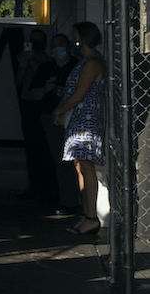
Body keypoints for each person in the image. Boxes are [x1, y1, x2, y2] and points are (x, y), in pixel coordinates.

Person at [54, 21, 105, 237]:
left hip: (87, 119)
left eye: (74, 37)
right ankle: (86, 214)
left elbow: (79, 94)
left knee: (86, 166)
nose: (72, 41)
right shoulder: (83, 61)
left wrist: (59, 110)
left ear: (82, 39)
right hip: (79, 119)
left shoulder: (92, 62)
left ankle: (92, 217)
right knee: (79, 166)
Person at [28, 32, 79, 214]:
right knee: (60, 159)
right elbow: (32, 94)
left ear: (68, 47)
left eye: (62, 45)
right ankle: (67, 200)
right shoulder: (45, 68)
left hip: (74, 116)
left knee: (79, 160)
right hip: (49, 118)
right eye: (55, 45)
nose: (58, 48)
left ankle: (82, 200)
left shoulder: (77, 66)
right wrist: (45, 89)